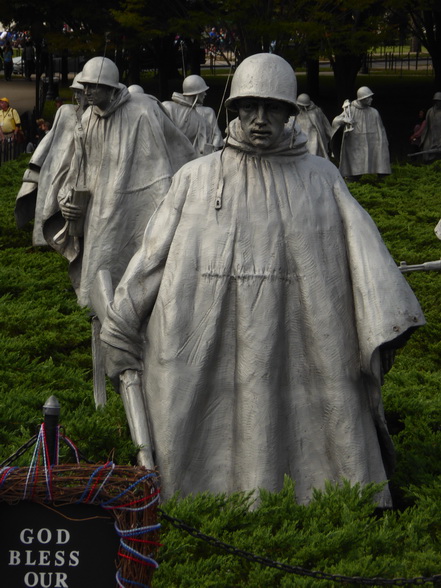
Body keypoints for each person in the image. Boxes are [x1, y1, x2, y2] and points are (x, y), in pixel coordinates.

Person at [100, 54, 424, 506]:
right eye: (248, 108)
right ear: (232, 110)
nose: (259, 120)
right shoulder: (196, 178)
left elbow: (368, 269)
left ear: (290, 114)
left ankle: (321, 499)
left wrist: (384, 322)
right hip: (204, 344)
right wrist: (122, 320)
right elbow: (151, 258)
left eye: (272, 109)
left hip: (304, 347)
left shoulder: (322, 179)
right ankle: (196, 501)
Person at [41, 57, 196, 309]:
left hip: (140, 208)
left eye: (95, 86)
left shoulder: (144, 111)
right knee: (99, 281)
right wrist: (67, 199)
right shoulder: (88, 117)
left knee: (143, 278)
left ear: (112, 88)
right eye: (86, 85)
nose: (87, 92)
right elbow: (77, 169)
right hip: (98, 212)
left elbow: (174, 156)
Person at [15, 74, 88, 246]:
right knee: (47, 203)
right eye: (75, 92)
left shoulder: (97, 117)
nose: (77, 96)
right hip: (54, 168)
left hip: (77, 171)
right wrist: (35, 167)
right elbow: (49, 139)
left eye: (81, 92)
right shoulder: (65, 112)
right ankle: (44, 242)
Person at [331, 86, 391, 180]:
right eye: (369, 98)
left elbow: (381, 130)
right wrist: (344, 119)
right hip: (355, 142)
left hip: (371, 140)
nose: (371, 99)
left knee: (376, 156)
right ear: (362, 99)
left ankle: (381, 175)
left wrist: (382, 142)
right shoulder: (350, 110)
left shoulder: (374, 112)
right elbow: (335, 121)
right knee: (356, 161)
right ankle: (353, 176)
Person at [162, 74, 224, 156]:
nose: (205, 94)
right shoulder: (169, 107)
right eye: (203, 91)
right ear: (197, 93)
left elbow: (216, 135)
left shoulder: (206, 114)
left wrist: (212, 150)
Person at [294, 93, 331, 159]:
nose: (299, 107)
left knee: (314, 157)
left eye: (301, 105)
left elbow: (326, 125)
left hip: (314, 138)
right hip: (301, 138)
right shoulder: (296, 112)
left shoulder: (316, 111)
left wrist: (331, 136)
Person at [419, 92, 441, 162]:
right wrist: (423, 140)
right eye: (437, 101)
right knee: (427, 154)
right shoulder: (430, 111)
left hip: (440, 137)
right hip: (431, 136)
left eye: (439, 101)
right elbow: (426, 127)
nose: (438, 103)